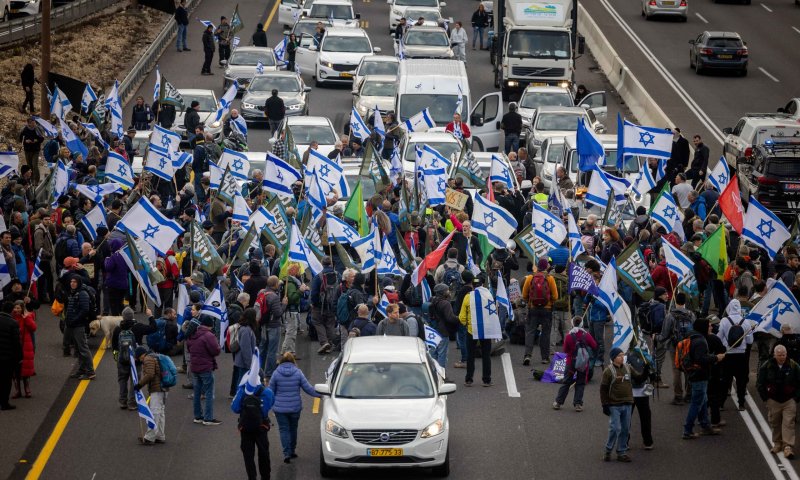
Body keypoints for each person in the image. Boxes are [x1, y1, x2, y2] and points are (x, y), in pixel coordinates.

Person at [269, 353, 321, 463]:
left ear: (281, 361)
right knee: (293, 429)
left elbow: (270, 392)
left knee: (284, 430)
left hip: (280, 409)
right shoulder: (298, 373)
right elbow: (308, 388)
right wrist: (322, 395)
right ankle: (292, 450)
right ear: (293, 361)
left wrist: (267, 406)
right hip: (295, 408)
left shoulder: (276, 373)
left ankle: (286, 453)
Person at [683, 318, 725, 439]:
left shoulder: (691, 337)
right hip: (700, 375)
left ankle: (705, 425)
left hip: (693, 374)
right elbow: (701, 359)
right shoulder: (701, 341)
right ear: (703, 327)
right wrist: (716, 358)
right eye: (709, 326)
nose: (711, 328)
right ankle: (687, 430)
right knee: (696, 403)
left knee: (703, 400)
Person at [757, 344, 800, 459]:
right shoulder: (767, 366)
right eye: (779, 355)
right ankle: (777, 443)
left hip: (789, 400)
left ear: (786, 354)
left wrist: (796, 397)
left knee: (788, 422)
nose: (782, 357)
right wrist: (766, 398)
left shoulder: (794, 365)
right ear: (774, 355)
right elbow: (760, 383)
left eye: (784, 354)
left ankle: (788, 446)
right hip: (773, 400)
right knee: (775, 422)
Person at [232, 377, 275, 480]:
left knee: (248, 456)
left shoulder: (243, 391)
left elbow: (235, 408)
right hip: (262, 426)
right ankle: (265, 477)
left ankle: (252, 477)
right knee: (264, 454)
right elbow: (271, 404)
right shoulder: (267, 392)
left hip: (246, 427)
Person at [716, 299, 756, 411]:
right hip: (741, 356)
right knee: (741, 380)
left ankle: (721, 404)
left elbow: (719, 337)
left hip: (727, 354)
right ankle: (741, 404)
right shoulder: (745, 321)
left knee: (725, 380)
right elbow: (750, 341)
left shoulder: (724, 320)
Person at [554, 316, 598, 411]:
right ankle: (578, 404)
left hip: (571, 362)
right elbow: (594, 345)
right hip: (583, 363)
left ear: (572, 323)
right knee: (580, 383)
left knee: (566, 382)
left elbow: (565, 350)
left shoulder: (569, 336)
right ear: (582, 324)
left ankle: (558, 402)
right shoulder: (586, 335)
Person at [658, 292, 695, 402]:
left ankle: (678, 396)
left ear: (675, 301)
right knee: (689, 368)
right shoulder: (691, 314)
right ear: (685, 302)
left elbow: (664, 334)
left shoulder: (670, 315)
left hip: (675, 346)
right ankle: (689, 394)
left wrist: (656, 338)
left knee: (676, 370)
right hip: (688, 345)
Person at [521, 258, 559, 366]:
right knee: (545, 334)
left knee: (530, 332)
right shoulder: (550, 278)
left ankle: (528, 355)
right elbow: (555, 296)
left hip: (533, 309)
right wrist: (550, 301)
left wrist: (530, 300)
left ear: (537, 266)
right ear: (546, 266)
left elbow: (524, 295)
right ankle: (545, 357)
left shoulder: (530, 278)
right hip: (547, 310)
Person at [600, 347, 634, 462]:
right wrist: (605, 404)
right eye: (620, 355)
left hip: (628, 403)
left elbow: (638, 378)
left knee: (625, 429)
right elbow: (603, 389)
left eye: (623, 355)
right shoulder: (608, 371)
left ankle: (621, 452)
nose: (622, 357)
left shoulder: (628, 368)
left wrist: (646, 372)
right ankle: (608, 450)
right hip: (614, 404)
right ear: (614, 358)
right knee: (615, 428)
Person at [187, 315, 222, 425]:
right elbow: (215, 351)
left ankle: (198, 416)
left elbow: (189, 348)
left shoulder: (192, 334)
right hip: (206, 367)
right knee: (209, 393)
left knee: (197, 393)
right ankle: (208, 418)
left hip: (195, 367)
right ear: (210, 325)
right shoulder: (209, 335)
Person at [133, 346, 166, 445]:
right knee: (160, 412)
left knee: (154, 412)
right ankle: (160, 435)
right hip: (163, 387)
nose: (140, 360)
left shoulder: (148, 359)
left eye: (139, 358)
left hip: (157, 388)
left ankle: (150, 437)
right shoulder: (155, 356)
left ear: (141, 355)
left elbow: (150, 374)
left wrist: (139, 385)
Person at [64, 276, 95, 381]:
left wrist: (75, 320)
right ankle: (81, 370)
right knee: (78, 349)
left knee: (83, 349)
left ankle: (90, 372)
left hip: (79, 325)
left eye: (74, 282)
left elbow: (84, 310)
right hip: (73, 325)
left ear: (79, 283)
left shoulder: (82, 294)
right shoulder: (74, 293)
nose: (72, 283)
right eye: (71, 281)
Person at [256, 276, 287, 377]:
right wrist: (284, 304)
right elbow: (278, 313)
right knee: (272, 350)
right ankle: (269, 372)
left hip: (263, 325)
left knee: (262, 348)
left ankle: (259, 370)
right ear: (275, 285)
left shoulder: (261, 292)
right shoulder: (274, 297)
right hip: (273, 326)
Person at [10, 300, 35, 399]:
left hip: (25, 346)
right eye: (15, 308)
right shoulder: (11, 317)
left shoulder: (28, 316)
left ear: (22, 309)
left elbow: (33, 328)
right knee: (15, 371)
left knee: (25, 369)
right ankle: (17, 390)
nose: (16, 310)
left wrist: (27, 319)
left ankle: (27, 389)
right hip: (14, 346)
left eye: (18, 308)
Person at [0, 302, 22, 410]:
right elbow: (16, 343)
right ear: (11, 310)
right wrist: (19, 357)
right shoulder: (13, 323)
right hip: (7, 357)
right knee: (6, 381)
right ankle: (4, 403)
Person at [233, 309, 259, 395]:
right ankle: (239, 399)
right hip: (244, 362)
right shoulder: (246, 330)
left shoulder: (244, 328)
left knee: (241, 381)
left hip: (241, 361)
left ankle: (238, 398)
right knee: (242, 382)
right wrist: (249, 364)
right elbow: (245, 348)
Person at [19, 117, 43, 183]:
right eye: (32, 123)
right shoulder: (24, 129)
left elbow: (41, 138)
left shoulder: (37, 129)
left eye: (34, 122)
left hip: (35, 150)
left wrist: (36, 140)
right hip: (27, 150)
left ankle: (36, 180)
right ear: (29, 123)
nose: (34, 124)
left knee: (35, 165)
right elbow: (21, 139)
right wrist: (26, 141)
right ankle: (31, 179)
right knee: (29, 165)